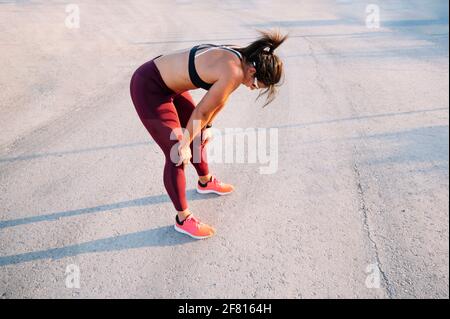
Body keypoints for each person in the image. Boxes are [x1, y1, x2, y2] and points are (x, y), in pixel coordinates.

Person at [130, 30, 287, 239]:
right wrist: (184, 144)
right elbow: (202, 111)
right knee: (177, 154)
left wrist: (209, 127)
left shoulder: (243, 55)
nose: (252, 88)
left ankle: (205, 181)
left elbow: (221, 99)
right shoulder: (234, 72)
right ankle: (183, 219)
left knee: (199, 133)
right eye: (256, 84)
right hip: (149, 87)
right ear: (252, 70)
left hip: (170, 85)